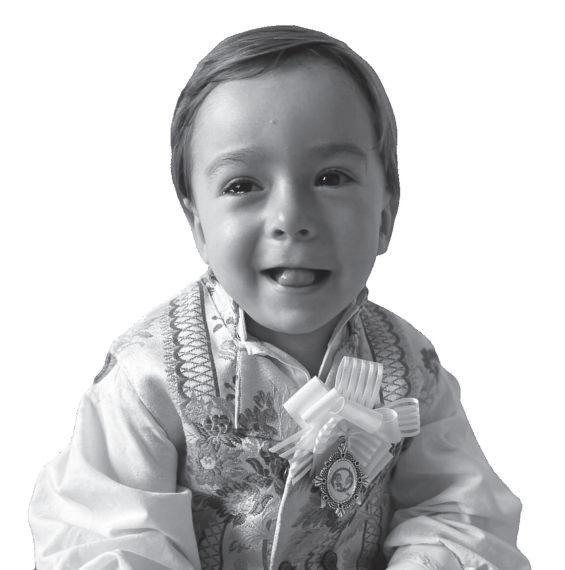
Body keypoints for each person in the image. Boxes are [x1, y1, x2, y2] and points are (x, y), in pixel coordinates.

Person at [28, 25, 530, 570]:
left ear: (386, 214)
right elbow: (105, 538)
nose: (291, 218)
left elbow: (456, 512)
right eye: (243, 185)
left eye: (331, 177)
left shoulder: (411, 367)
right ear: (199, 226)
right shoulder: (149, 378)